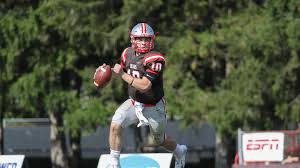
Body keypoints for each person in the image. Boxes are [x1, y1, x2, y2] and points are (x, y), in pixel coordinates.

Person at [96, 23, 187, 168]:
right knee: (115, 124)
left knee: (160, 140)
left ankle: (180, 150)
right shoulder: (127, 53)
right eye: (140, 39)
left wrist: (122, 75)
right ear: (132, 39)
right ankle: (114, 163)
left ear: (152, 40)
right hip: (134, 102)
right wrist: (109, 71)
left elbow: (144, 86)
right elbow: (124, 69)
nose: (143, 42)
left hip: (154, 107)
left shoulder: (155, 59)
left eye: (146, 39)